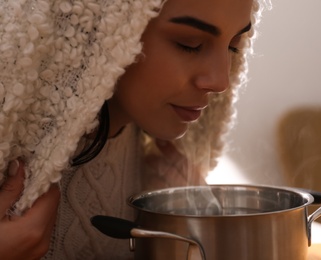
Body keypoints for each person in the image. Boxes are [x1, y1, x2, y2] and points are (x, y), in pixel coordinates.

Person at [0, 0, 270, 258]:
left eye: (234, 46)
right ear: (103, 25)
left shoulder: (163, 174)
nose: (220, 80)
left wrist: (199, 236)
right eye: (191, 44)